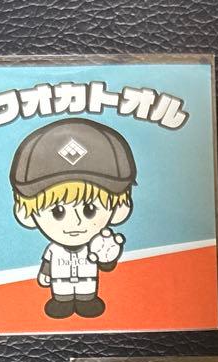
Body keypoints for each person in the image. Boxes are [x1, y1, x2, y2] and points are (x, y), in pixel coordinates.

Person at [10, 117, 137, 319]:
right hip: (60, 285)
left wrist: (108, 256)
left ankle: (87, 301)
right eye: (57, 211)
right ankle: (62, 302)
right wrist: (45, 273)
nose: (76, 222)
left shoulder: (96, 245)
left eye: (89, 209)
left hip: (88, 283)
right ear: (24, 213)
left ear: (121, 207)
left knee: (88, 295)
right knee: (62, 298)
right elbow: (48, 262)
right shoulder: (54, 249)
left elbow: (105, 262)